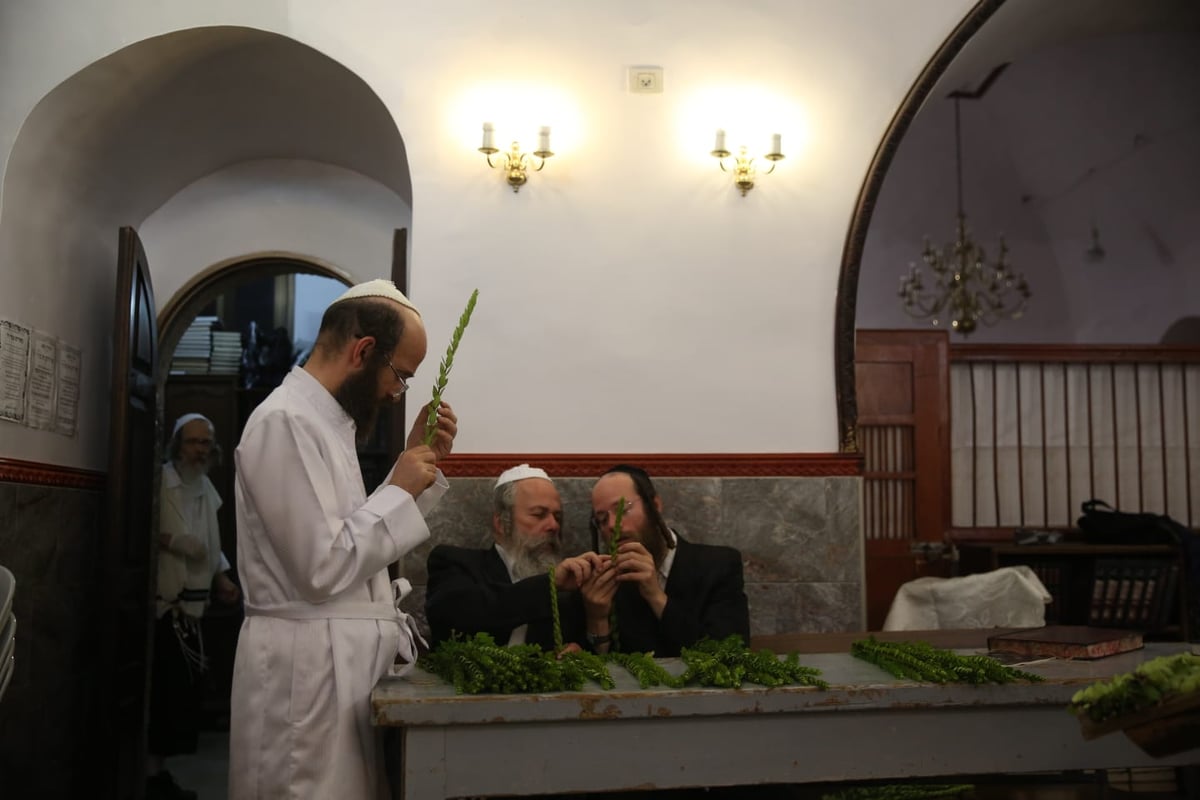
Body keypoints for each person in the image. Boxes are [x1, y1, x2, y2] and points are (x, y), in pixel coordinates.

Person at [228, 279, 458, 800]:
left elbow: (354, 545)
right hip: (303, 677)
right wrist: (399, 485)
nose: (396, 392)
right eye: (400, 376)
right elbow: (321, 568)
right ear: (363, 351)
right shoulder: (284, 422)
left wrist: (414, 474)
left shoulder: (328, 426)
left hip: (336, 672)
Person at [148, 413, 241, 800]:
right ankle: (151, 774)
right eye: (192, 442)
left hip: (194, 610)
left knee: (183, 698)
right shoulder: (161, 483)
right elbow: (144, 527)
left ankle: (160, 772)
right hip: (163, 607)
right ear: (177, 444)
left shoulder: (203, 486)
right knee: (162, 695)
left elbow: (209, 541)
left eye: (206, 442)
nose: (200, 450)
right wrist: (169, 540)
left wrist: (221, 575)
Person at [425, 464, 600, 651]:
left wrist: (578, 652)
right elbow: (456, 615)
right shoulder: (455, 563)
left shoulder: (568, 590)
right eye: (539, 514)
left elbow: (583, 646)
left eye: (557, 517)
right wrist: (548, 583)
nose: (553, 525)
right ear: (502, 523)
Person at [581, 464, 750, 657]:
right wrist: (598, 619)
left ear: (655, 505)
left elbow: (730, 655)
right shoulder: (609, 583)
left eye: (622, 510)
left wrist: (656, 596)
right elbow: (605, 670)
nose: (612, 525)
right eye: (602, 519)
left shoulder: (718, 566)